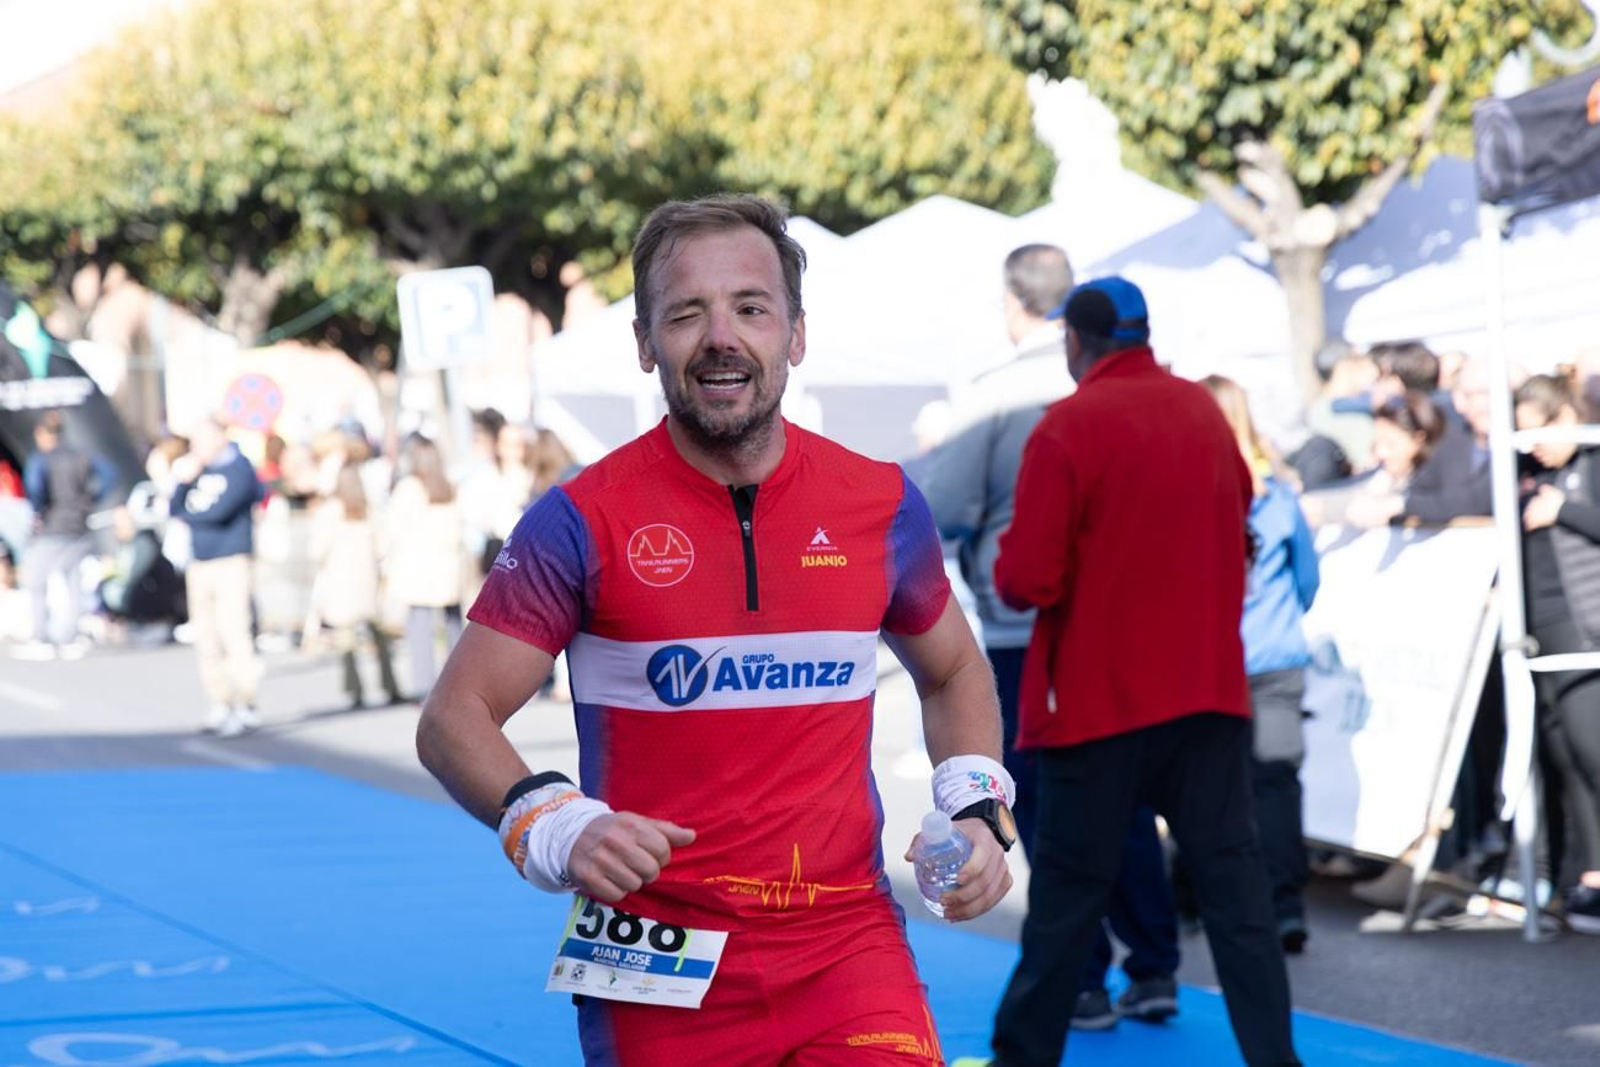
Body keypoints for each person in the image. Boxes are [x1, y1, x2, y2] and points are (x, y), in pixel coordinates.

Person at [416, 194, 1016, 1066]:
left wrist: (977, 811)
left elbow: (954, 670)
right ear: (645, 343)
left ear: (796, 334)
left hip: (845, 942)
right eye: (686, 313)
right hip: (652, 955)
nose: (721, 337)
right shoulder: (579, 517)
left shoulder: (881, 502)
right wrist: (555, 823)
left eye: (751, 308)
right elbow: (453, 716)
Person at [982, 277, 1297, 1067]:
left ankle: (1023, 1056)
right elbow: (1242, 521)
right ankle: (1275, 1057)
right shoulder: (1203, 412)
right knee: (1237, 896)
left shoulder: (1068, 424)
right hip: (1208, 694)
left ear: (1074, 341)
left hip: (1100, 701)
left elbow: (1027, 578)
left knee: (1067, 896)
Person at [915, 242, 1075, 856]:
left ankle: (1071, 922)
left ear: (1012, 302)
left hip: (1024, 619)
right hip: (1116, 620)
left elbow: (946, 507)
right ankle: (1143, 922)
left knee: (1039, 798)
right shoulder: (1099, 381)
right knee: (1118, 799)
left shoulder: (997, 390)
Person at [1202, 375, 1321, 953]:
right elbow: (1307, 578)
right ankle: (1285, 904)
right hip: (1274, 654)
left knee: (1211, 784)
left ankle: (1207, 897)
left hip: (1212, 657)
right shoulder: (1275, 493)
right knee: (1274, 782)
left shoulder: (1188, 491)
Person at [1512, 374, 1600, 933]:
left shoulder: (1591, 463)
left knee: (1594, 751)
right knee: (1567, 759)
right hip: (1540, 629)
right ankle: (1590, 874)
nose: (1535, 446)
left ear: (1567, 415)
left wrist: (1563, 510)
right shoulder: (1532, 472)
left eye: (1540, 431)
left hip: (1584, 629)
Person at [170, 416, 265, 737]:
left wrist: (191, 516)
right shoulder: (197, 472)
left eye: (202, 441)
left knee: (234, 630)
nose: (197, 448)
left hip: (231, 559)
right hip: (200, 560)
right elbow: (175, 509)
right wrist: (183, 482)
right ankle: (219, 700)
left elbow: (221, 510)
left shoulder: (239, 468)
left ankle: (246, 702)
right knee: (206, 636)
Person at [18, 411, 118, 660]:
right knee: (73, 582)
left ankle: (40, 636)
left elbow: (35, 488)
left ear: (41, 434)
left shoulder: (42, 459)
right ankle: (70, 636)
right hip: (79, 524)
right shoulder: (81, 455)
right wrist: (91, 498)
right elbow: (110, 475)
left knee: (36, 580)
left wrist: (39, 509)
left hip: (52, 525)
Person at [310, 463, 401, 710]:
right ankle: (391, 685)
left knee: (346, 639)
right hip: (367, 580)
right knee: (378, 635)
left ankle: (355, 689)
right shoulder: (368, 510)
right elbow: (383, 547)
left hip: (340, 581)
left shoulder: (330, 511)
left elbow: (318, 549)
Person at [383, 434, 465, 701]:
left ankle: (425, 688)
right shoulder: (449, 486)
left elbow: (392, 527)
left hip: (417, 567)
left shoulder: (408, 488)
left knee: (420, 629)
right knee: (453, 626)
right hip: (447, 566)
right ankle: (459, 685)